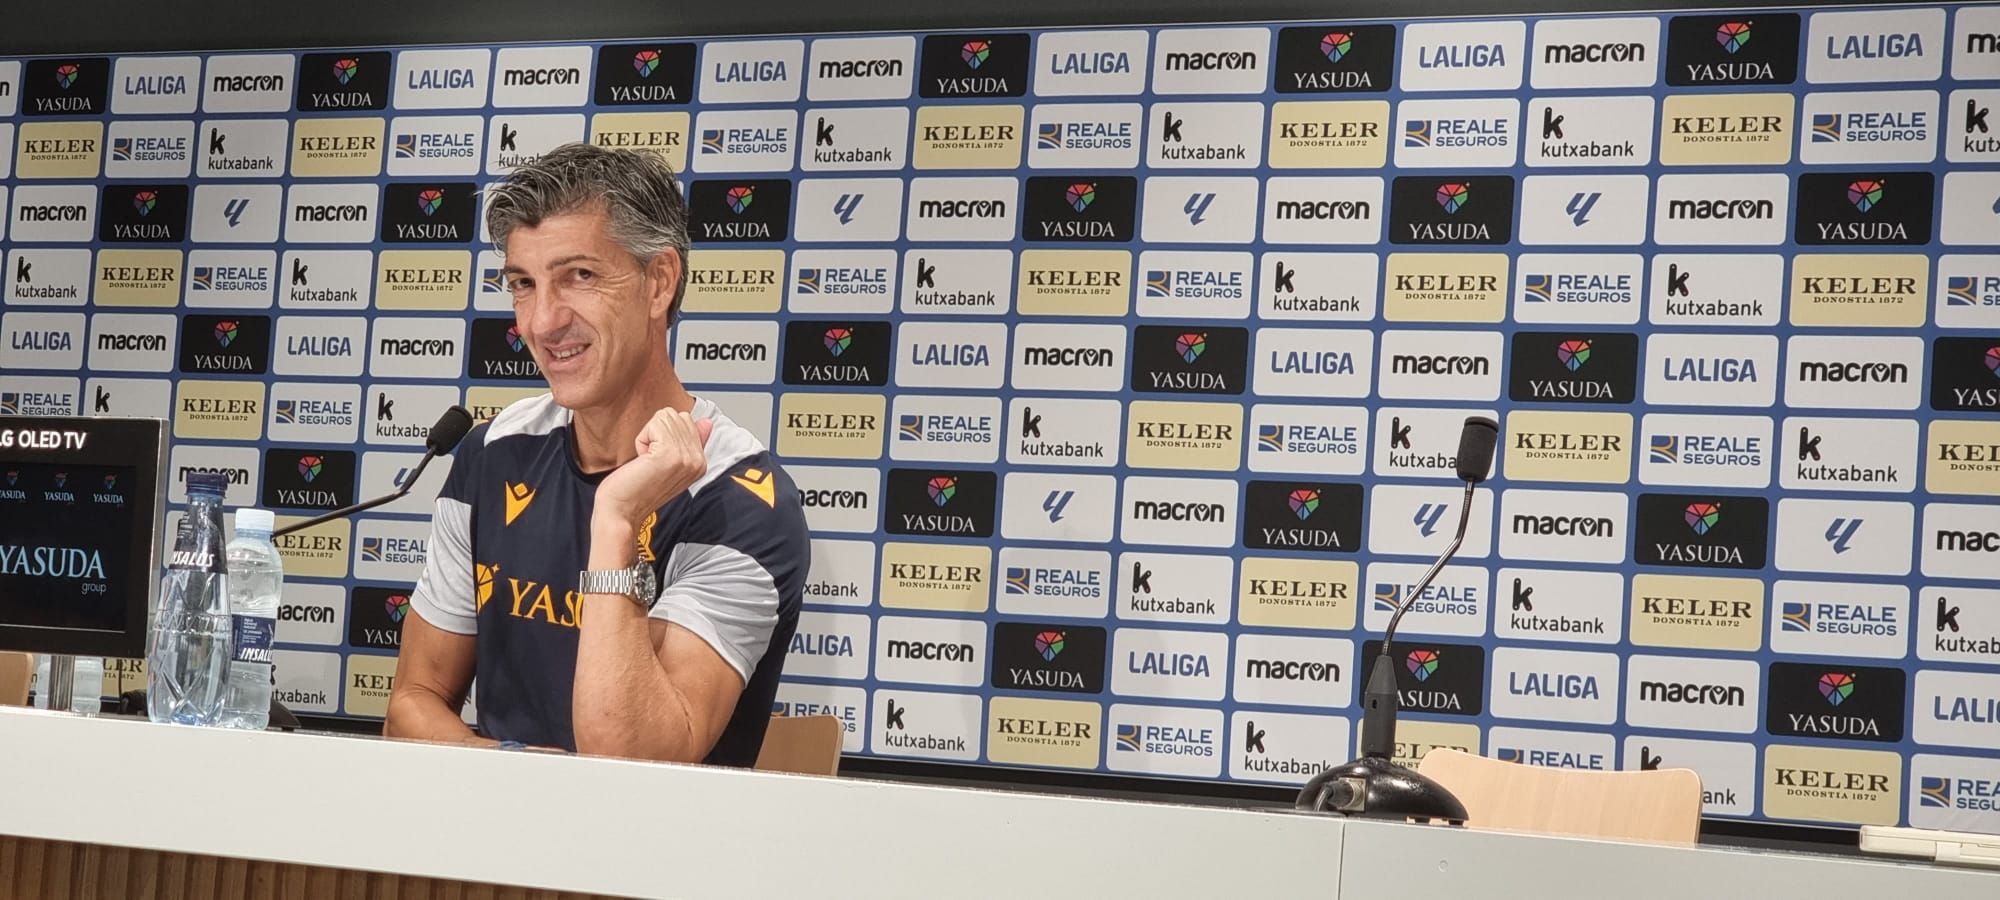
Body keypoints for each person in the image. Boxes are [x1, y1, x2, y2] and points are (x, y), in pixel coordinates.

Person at [385, 142, 809, 766]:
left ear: (659, 280)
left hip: (657, 858)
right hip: (492, 843)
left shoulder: (742, 504)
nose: (542, 321)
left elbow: (633, 766)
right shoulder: (494, 453)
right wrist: (514, 774)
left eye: (579, 277)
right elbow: (410, 705)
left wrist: (616, 517)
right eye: (524, 285)